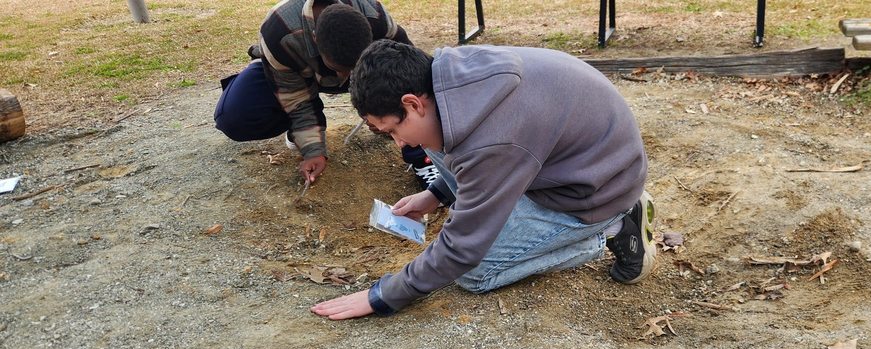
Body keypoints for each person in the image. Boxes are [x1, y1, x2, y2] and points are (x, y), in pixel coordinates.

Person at [310, 40, 656, 320]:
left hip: (596, 189)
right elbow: (472, 154)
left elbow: (462, 249)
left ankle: (614, 228)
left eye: (394, 129)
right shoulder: (450, 76)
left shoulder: (497, 138)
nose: (400, 143)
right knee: (439, 142)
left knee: (475, 274)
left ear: (412, 103)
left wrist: (384, 295)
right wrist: (434, 194)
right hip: (564, 161)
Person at [213, 0, 437, 188]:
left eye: (353, 70)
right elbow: (295, 98)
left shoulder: (376, 19)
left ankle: (423, 160)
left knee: (402, 95)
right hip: (289, 71)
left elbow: (413, 81)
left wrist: (379, 112)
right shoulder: (278, 30)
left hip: (367, 70)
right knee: (234, 117)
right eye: (341, 68)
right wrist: (313, 150)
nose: (347, 76)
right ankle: (298, 130)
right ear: (315, 39)